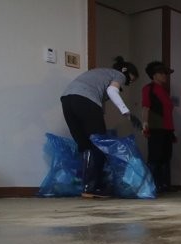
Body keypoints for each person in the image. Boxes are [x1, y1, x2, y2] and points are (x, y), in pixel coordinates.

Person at [60, 56, 142, 198]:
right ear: (126, 72)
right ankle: (93, 188)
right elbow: (112, 91)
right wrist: (127, 113)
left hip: (67, 100)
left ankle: (86, 187)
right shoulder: (119, 75)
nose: (128, 83)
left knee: (84, 144)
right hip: (85, 100)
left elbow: (99, 101)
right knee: (99, 144)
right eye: (131, 79)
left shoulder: (99, 73)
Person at [141, 61, 176, 193]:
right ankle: (151, 185)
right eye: (162, 73)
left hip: (167, 129)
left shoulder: (165, 91)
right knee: (155, 157)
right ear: (154, 75)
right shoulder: (148, 88)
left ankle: (164, 185)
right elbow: (145, 107)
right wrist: (145, 124)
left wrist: (172, 131)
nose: (165, 76)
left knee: (166, 157)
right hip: (156, 127)